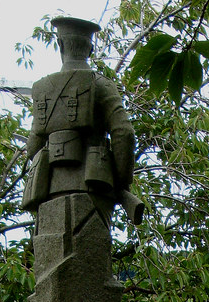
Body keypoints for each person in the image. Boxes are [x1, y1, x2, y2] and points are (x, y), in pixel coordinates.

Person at [21, 16, 143, 229]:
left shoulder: (42, 88)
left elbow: (33, 147)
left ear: (60, 45)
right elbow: (124, 133)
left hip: (50, 193)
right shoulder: (102, 85)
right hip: (94, 187)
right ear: (90, 49)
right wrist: (120, 184)